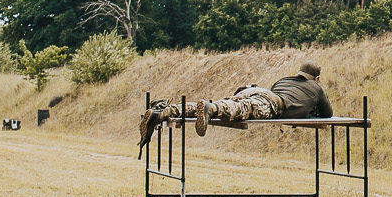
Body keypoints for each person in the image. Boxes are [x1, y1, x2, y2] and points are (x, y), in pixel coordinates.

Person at [138, 61, 336, 142]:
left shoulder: (284, 80)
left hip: (257, 91)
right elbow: (327, 114)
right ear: (316, 78)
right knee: (229, 109)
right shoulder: (316, 88)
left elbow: (273, 94)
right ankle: (209, 108)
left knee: (229, 105)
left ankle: (162, 113)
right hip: (272, 103)